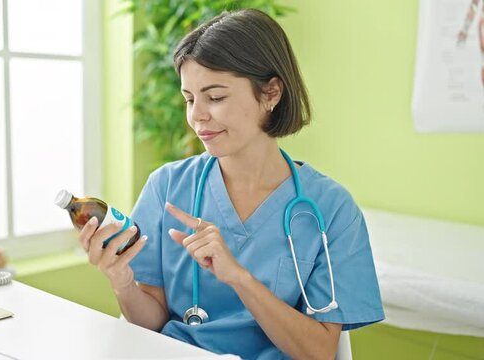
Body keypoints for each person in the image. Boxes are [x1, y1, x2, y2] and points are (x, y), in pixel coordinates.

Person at [77, 8, 384, 359]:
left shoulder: (331, 209)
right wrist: (122, 281)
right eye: (189, 99)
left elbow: (319, 352)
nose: (197, 116)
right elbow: (151, 323)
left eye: (215, 97)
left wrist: (238, 276)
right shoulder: (167, 186)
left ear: (270, 93)